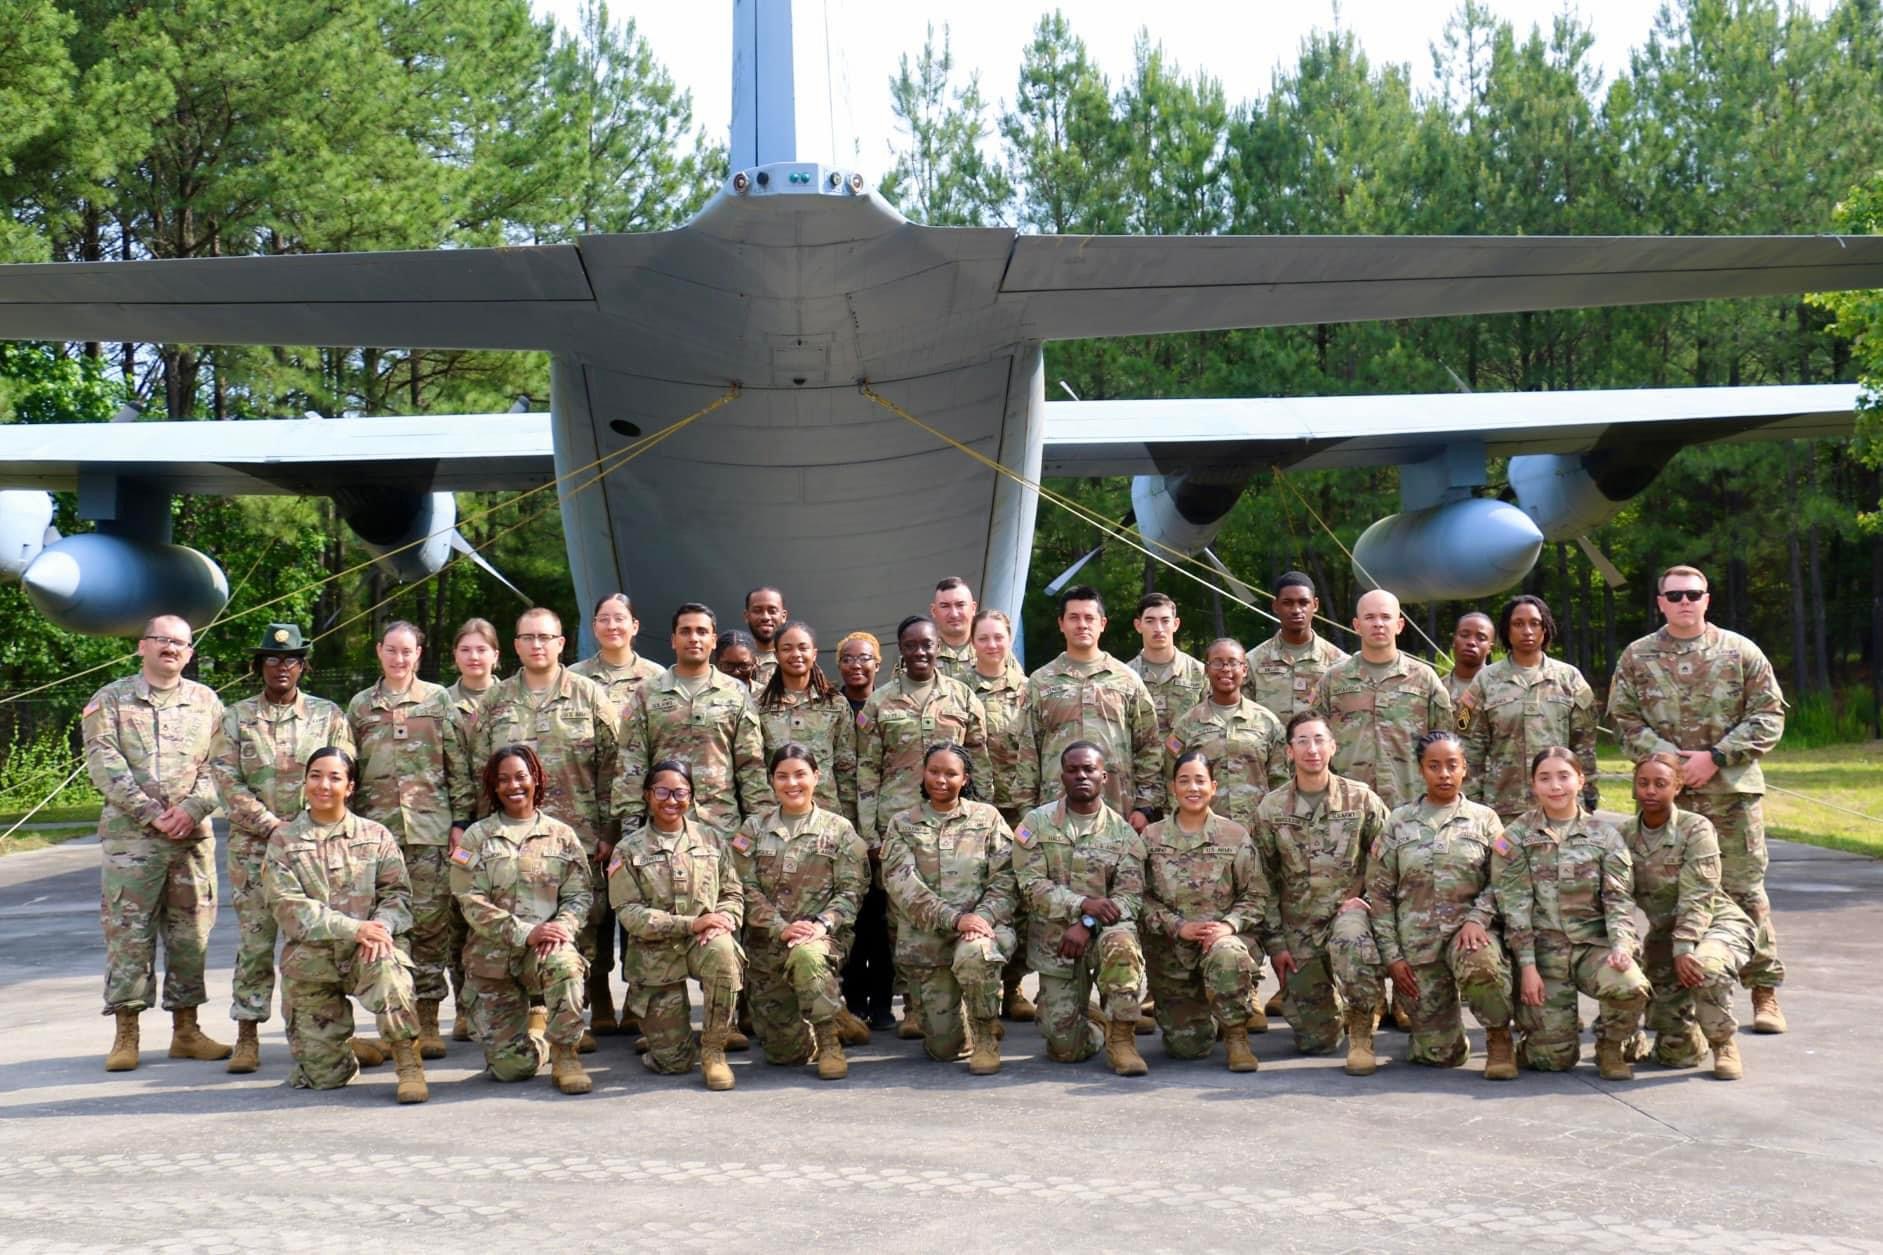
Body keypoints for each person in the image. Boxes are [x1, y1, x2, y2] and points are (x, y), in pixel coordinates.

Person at [1607, 563, 1788, 1034]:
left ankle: (1763, 991)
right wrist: (1666, 759)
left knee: (1744, 892)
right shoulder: (1637, 657)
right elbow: (1623, 720)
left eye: (1694, 594)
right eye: (1675, 595)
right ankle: (1665, 998)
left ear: (1707, 599)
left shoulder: (1740, 651)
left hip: (1729, 796)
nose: (1685, 602)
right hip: (1665, 802)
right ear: (1660, 602)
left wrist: (1716, 756)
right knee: (1667, 898)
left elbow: (1768, 716)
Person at [466, 608, 620, 1047]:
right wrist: (480, 832)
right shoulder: (495, 702)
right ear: (515, 645)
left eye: (545, 637)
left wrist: (609, 830)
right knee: (522, 919)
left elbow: (614, 768)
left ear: (561, 644)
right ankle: (536, 1011)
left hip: (578, 832)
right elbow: (479, 770)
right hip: (509, 837)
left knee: (586, 920)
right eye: (528, 637)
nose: (537, 645)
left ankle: (590, 1002)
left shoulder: (589, 696)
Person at [85, 614, 230, 1071]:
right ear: (141, 646)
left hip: (191, 840)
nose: (171, 648)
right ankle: (126, 1033)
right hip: (133, 841)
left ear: (189, 653)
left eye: (181, 643)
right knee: (129, 936)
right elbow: (103, 762)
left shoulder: (206, 702)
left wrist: (191, 810)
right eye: (162, 640)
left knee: (192, 936)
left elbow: (222, 765)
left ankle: (186, 1030)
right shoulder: (110, 700)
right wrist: (151, 813)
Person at [209, 622, 354, 1074]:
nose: (281, 667)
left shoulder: (327, 715)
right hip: (256, 849)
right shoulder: (236, 718)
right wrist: (272, 826)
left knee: (309, 941)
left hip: (313, 850)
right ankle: (248, 1035)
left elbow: (342, 772)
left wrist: (307, 829)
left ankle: (309, 1031)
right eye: (272, 659)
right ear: (259, 666)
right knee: (255, 942)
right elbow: (226, 781)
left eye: (290, 659)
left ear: (304, 666)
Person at [1330, 730, 1516, 1079]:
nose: (1443, 774)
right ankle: (1444, 1033)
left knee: (1483, 964)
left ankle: (1498, 1037)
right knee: (1440, 1056)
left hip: (1468, 936)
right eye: (1434, 766)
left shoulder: (1485, 819)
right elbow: (1381, 893)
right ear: (1421, 769)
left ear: (1465, 769)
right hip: (1418, 948)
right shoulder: (1398, 822)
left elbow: (1502, 881)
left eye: (1452, 765)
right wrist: (1394, 956)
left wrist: (1478, 919)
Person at [262, 746, 428, 1102]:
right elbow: (289, 907)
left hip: (366, 954)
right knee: (324, 1078)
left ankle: (407, 1060)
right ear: (305, 782)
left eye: (335, 777)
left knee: (390, 969)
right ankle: (348, 1049)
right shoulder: (284, 840)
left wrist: (380, 927)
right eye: (315, 776)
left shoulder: (376, 835)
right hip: (313, 965)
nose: (324, 785)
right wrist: (354, 928)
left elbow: (397, 895)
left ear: (350, 787)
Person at [855, 615, 992, 1038]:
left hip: (956, 823)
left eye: (927, 645)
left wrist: (985, 819)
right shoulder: (880, 702)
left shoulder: (963, 696)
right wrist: (870, 834)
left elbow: (980, 764)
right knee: (903, 917)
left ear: (939, 648)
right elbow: (865, 770)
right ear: (900, 649)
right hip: (900, 825)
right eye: (911, 645)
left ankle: (967, 1002)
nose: (920, 652)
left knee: (957, 904)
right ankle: (914, 1006)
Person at [346, 620, 467, 1061]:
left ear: (419, 654)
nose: (400, 659)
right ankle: (400, 1023)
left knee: (433, 927)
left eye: (408, 651)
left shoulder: (438, 700)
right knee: (389, 931)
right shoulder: (360, 707)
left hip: (431, 832)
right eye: (392, 650)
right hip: (377, 837)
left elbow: (457, 765)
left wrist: (460, 822)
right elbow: (349, 774)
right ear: (379, 651)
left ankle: (431, 1020)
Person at [1491, 747, 1651, 1079]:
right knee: (1551, 1060)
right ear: (1533, 785)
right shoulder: (1516, 836)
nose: (1555, 786)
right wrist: (1528, 968)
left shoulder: (1605, 835)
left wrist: (1622, 947)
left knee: (1630, 985)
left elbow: (1618, 900)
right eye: (1545, 778)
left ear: (1580, 780)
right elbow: (1515, 907)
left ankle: (1611, 1045)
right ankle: (1536, 1039)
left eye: (1564, 776)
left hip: (1592, 949)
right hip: (1544, 955)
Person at [449, 744, 594, 1094]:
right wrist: (527, 932)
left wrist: (562, 929)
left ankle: (566, 1055)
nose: (513, 786)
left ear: (536, 780)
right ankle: (539, 1039)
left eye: (520, 777)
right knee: (511, 1069)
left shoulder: (562, 835)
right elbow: (469, 900)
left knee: (566, 964)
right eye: (503, 780)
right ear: (493, 787)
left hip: (543, 952)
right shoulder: (475, 837)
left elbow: (580, 894)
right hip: (493, 959)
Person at [1251, 712, 1391, 1064]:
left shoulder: (1361, 800)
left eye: (1318, 740)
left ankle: (1361, 1031)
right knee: (1317, 1041)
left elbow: (1389, 861)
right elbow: (1261, 880)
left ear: (1332, 747)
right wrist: (1277, 944)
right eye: (1302, 741)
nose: (1311, 749)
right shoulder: (1271, 808)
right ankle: (1337, 1010)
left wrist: (1367, 902)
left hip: (1348, 916)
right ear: (1288, 751)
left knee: (1351, 939)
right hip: (1299, 930)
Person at [728, 744, 871, 1079]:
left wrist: (822, 925)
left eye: (800, 774)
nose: (792, 783)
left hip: (822, 941)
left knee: (808, 956)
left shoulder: (839, 830)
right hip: (767, 946)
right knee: (785, 1055)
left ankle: (829, 1040)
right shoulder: (753, 829)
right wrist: (780, 927)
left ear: (816, 777)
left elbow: (853, 890)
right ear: (771, 781)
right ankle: (836, 1014)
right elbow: (742, 888)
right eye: (782, 776)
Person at [1012, 742, 1151, 1076]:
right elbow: (1030, 885)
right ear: (1062, 776)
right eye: (1073, 770)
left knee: (1122, 945)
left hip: (1104, 933)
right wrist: (1081, 904)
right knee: (1064, 1048)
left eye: (1089, 769)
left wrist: (1087, 922)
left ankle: (1121, 1041)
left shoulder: (1122, 833)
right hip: (1057, 940)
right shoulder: (1038, 823)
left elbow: (1130, 897)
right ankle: (1094, 1025)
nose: (1081, 776)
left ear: (1104, 776)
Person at [608, 759, 746, 1089]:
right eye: (662, 791)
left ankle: (714, 1051)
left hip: (703, 944)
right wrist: (692, 924)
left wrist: (724, 919)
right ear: (646, 795)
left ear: (692, 796)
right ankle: (663, 1040)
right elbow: (628, 912)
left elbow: (733, 892)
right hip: (656, 956)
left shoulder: (711, 840)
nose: (671, 800)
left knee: (724, 951)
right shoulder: (628, 850)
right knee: (674, 1063)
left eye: (680, 792)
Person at [880, 742, 1016, 1075]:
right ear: (923, 773)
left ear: (965, 778)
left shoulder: (987, 819)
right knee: (942, 1049)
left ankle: (985, 1037)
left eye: (951, 773)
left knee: (975, 953)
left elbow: (1009, 878)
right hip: (927, 943)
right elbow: (903, 885)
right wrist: (955, 919)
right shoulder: (902, 824)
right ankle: (964, 1027)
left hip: (980, 932)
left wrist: (980, 919)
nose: (941, 779)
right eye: (934, 771)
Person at [1620, 753, 1757, 1080]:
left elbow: (1698, 895)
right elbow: (1615, 896)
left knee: (1703, 967)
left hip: (1716, 925)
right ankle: (1688, 1036)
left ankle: (1723, 1042)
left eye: (1661, 783)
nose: (1650, 790)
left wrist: (1683, 947)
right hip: (1666, 936)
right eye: (1643, 783)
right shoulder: (1624, 835)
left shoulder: (1695, 828)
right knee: (1676, 1055)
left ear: (1677, 787)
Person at [1140, 751, 1270, 1072]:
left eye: (1200, 781)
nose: (1192, 788)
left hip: (1219, 944)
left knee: (1228, 952)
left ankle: (1236, 1034)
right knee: (1187, 1048)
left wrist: (1229, 925)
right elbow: (1137, 896)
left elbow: (1256, 895)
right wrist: (1175, 925)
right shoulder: (1151, 837)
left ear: (1213, 787)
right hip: (1172, 953)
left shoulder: (1234, 836)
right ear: (1173, 787)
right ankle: (1203, 1015)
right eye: (1184, 781)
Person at [614, 603, 768, 838]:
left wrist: (759, 825)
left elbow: (750, 765)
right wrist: (630, 830)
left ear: (714, 640)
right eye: (685, 631)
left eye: (702, 631)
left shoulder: (735, 692)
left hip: (722, 827)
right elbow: (631, 765)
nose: (694, 638)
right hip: (664, 828)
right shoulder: (647, 694)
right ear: (673, 640)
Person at [1016, 585, 1162, 832]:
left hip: (1117, 809)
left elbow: (1149, 747)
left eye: (1089, 618)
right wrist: (1027, 811)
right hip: (1054, 811)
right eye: (1073, 617)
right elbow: (1027, 750)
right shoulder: (1041, 682)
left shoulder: (1127, 680)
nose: (1082, 624)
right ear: (1061, 624)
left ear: (1102, 623)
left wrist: (1145, 806)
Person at [1309, 588, 1452, 811]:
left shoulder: (1424, 679)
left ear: (1400, 625)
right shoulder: (1333, 681)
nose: (1378, 624)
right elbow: (1314, 742)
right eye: (1370, 617)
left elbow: (1445, 742)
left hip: (1411, 806)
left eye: (1386, 617)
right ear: (1356, 625)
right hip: (1347, 806)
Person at [1460, 596, 1599, 822]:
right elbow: (1468, 747)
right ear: (1507, 629)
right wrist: (1473, 804)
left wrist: (1589, 795)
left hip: (1560, 806)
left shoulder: (1570, 679)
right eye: (1518, 623)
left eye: (1534, 623)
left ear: (1545, 629)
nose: (1527, 630)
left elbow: (1585, 745)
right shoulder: (1484, 682)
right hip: (1502, 809)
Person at [967, 608, 1036, 1022]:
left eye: (999, 637)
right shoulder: (958, 691)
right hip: (974, 812)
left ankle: (1013, 987)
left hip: (1019, 810)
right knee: (976, 894)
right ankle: (977, 988)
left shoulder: (1031, 689)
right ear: (973, 643)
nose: (993, 644)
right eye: (984, 638)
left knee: (1021, 901)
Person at [441, 617, 502, 1041]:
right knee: (458, 919)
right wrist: (458, 822)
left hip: (503, 823)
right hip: (457, 825)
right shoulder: (439, 702)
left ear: (497, 654)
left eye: (482, 649)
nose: (474, 657)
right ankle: (464, 1007)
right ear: (455, 656)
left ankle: (509, 1007)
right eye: (466, 650)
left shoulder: (512, 699)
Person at [1163, 638, 1288, 833]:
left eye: (1233, 662)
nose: (1225, 669)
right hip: (1206, 834)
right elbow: (1173, 783)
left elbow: (1281, 782)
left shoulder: (1267, 722)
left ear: (1245, 670)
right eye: (1217, 662)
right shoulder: (1187, 725)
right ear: (1206, 669)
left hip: (1259, 832)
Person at [755, 622, 858, 825]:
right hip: (776, 818)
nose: (796, 654)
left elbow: (846, 768)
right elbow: (754, 767)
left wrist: (849, 822)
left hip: (828, 817)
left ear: (815, 653)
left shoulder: (835, 703)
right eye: (787, 648)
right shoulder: (758, 705)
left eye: (803, 647)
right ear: (776, 655)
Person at [1245, 572, 1348, 722]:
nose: (1296, 610)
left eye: (1303, 602)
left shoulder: (1340, 663)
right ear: (1275, 606)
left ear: (1315, 605)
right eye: (1287, 602)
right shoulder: (1252, 662)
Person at [1128, 592, 1207, 743]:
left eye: (1165, 621)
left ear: (1176, 624)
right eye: (1150, 621)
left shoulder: (1200, 673)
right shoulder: (1125, 675)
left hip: (1186, 763)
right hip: (1141, 763)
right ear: (1138, 626)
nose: (1158, 628)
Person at [570, 593, 662, 714]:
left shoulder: (657, 676)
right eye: (604, 619)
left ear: (635, 627)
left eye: (619, 619)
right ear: (594, 628)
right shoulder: (573, 677)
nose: (612, 626)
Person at [929, 576, 979, 683]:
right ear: (933, 611)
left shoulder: (992, 650)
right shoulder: (919, 654)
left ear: (973, 608)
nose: (954, 614)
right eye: (945, 606)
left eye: (960, 605)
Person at [1445, 611, 1495, 706]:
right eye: (1464, 635)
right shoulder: (1436, 687)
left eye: (1481, 638)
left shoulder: (1503, 688)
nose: (1471, 642)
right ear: (1454, 641)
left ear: (1490, 648)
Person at [743, 587, 787, 687]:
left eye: (772, 611)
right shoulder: (735, 659)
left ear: (783, 616)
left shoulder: (793, 659)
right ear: (746, 616)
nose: (765, 617)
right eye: (757, 611)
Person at [836, 631, 881, 715]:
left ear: (877, 665)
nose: (856, 665)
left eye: (864, 658)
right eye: (847, 660)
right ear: (839, 666)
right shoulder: (825, 708)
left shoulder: (890, 706)